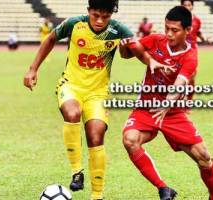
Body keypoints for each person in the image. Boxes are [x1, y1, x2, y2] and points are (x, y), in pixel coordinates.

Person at [23, 0, 135, 199]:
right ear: (88, 11)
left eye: (105, 17)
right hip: (71, 85)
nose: (100, 21)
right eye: (96, 15)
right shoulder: (74, 24)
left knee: (96, 136)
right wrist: (33, 69)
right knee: (72, 113)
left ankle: (97, 196)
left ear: (111, 15)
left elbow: (127, 55)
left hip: (98, 93)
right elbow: (50, 39)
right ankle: (77, 172)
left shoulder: (119, 30)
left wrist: (127, 48)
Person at [122, 6, 213, 200]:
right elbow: (127, 53)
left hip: (173, 113)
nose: (169, 34)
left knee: (204, 158)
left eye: (175, 30)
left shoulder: (190, 56)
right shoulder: (155, 40)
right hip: (146, 109)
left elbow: (179, 85)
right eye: (167, 28)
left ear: (188, 31)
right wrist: (124, 44)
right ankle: (163, 188)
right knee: (130, 139)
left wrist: (167, 104)